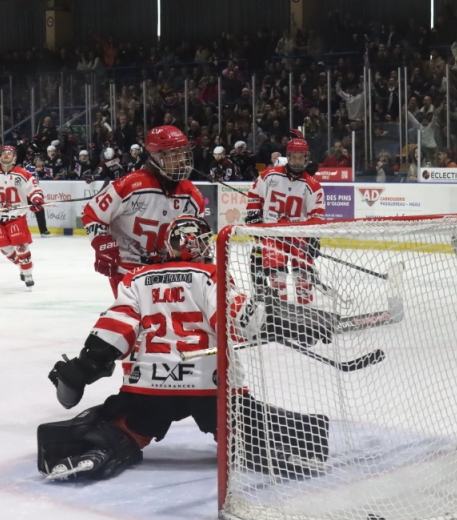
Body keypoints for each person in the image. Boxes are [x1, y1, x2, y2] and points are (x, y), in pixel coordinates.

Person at [40, 215, 332, 481]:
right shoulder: (210, 276)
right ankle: (263, 442)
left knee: (127, 426)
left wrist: (82, 368)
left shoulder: (136, 279)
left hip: (148, 389)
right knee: (239, 425)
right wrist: (295, 323)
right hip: (209, 388)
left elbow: (113, 333)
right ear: (205, 245)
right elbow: (241, 321)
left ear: (170, 246)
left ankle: (102, 450)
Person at [81, 125, 204, 298]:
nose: (182, 159)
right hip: (128, 269)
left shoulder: (192, 196)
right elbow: (91, 214)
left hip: (167, 271)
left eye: (183, 153)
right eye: (174, 154)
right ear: (157, 157)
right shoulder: (130, 185)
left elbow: (193, 240)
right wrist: (103, 246)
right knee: (137, 322)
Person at [246, 138, 325, 305]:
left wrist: (314, 237)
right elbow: (254, 194)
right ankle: (278, 312)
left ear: (306, 158)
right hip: (272, 234)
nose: (297, 161)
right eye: (294, 157)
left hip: (298, 235)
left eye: (301, 157)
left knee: (303, 274)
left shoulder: (313, 186)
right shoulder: (270, 175)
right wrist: (254, 214)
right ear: (288, 157)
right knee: (277, 274)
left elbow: (316, 215)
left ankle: (306, 309)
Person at [0, 146, 45, 287]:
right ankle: (22, 266)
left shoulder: (23, 174)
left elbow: (34, 190)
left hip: (16, 216)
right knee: (5, 248)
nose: (6, 155)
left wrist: (36, 200)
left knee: (21, 247)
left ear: (14, 158)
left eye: (10, 153)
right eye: (4, 153)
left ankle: (27, 274)